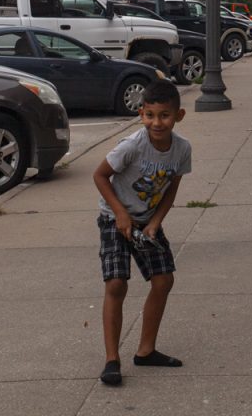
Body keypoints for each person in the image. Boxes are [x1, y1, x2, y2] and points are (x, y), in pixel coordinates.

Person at [92, 79, 192, 386]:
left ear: (179, 115)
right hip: (114, 218)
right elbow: (100, 175)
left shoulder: (182, 149)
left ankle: (146, 351)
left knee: (163, 280)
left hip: (147, 220)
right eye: (150, 115)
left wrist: (155, 222)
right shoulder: (133, 145)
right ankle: (112, 360)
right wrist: (120, 213)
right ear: (141, 113)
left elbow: (172, 190)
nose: (157, 122)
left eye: (164, 115)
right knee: (117, 283)